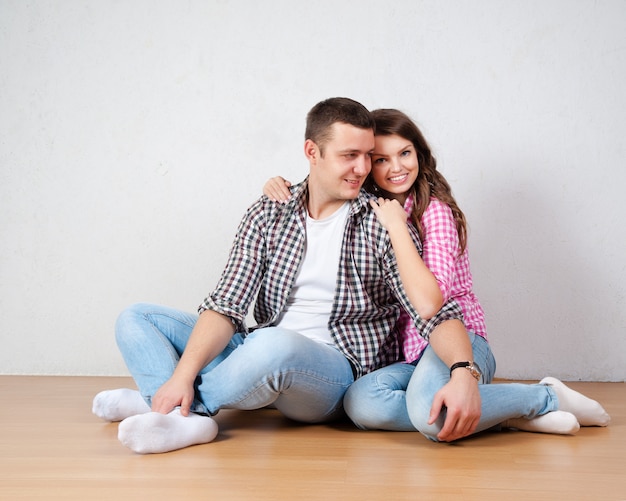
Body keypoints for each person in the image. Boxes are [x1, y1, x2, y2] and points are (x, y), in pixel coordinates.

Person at [92, 97, 464, 454]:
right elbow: (226, 305)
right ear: (312, 152)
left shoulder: (382, 221)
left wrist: (463, 370)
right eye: (349, 156)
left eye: (368, 156)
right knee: (137, 318)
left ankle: (171, 410)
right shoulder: (269, 212)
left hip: (333, 371)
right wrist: (180, 377)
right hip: (258, 350)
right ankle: (171, 406)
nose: (364, 169)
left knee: (275, 345)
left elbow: (432, 313)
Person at [263, 108, 610, 442]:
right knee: (361, 403)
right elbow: (325, 181)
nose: (396, 167)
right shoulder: (370, 210)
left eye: (405, 153)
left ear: (420, 153)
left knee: (430, 416)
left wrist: (398, 229)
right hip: (409, 354)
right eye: (381, 159)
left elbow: (431, 303)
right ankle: (507, 415)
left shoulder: (434, 213)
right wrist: (283, 186)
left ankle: (543, 398)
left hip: (459, 342)